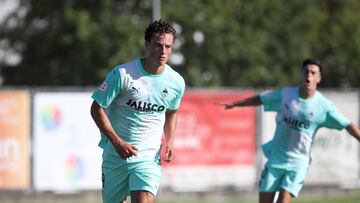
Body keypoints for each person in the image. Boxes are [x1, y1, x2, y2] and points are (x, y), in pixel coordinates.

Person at [218, 59, 360, 203]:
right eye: (306, 72)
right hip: (275, 160)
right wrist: (235, 104)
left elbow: (348, 125)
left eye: (313, 73)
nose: (309, 75)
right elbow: (260, 99)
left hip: (298, 163)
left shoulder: (324, 107)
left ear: (319, 78)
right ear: (301, 74)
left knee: (283, 201)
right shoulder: (286, 95)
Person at [90, 19, 185, 203]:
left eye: (168, 46)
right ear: (147, 44)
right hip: (115, 156)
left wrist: (170, 142)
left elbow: (172, 112)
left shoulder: (176, 82)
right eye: (158, 45)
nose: (163, 51)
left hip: (148, 157)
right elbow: (96, 108)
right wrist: (117, 142)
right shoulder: (123, 74)